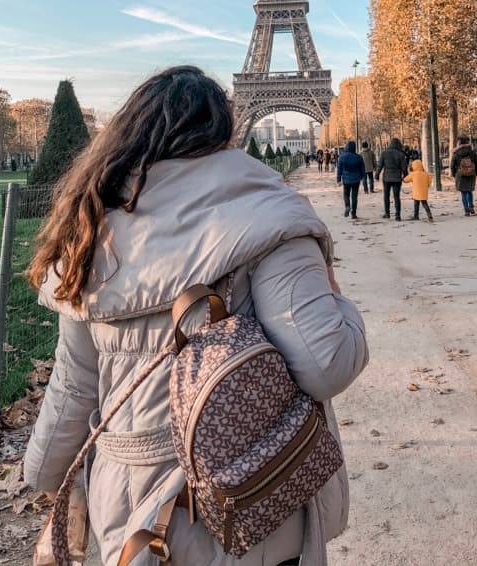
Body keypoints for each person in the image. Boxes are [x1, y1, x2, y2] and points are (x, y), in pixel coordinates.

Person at [23, 66, 368, 566]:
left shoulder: (91, 231)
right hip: (252, 492)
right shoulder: (267, 211)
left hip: (129, 499)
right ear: (227, 132)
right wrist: (340, 301)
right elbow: (326, 363)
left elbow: (74, 388)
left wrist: (51, 484)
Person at [375, 137, 408, 221]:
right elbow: (404, 167)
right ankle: (397, 215)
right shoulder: (401, 154)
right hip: (397, 178)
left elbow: (380, 165)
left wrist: (377, 174)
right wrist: (405, 176)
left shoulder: (384, 153)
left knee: (386, 196)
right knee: (397, 197)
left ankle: (387, 213)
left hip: (387, 177)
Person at [450, 135, 477, 216]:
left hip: (460, 175)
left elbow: (452, 165)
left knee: (463, 193)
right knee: (470, 191)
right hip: (471, 174)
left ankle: (466, 210)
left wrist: (454, 174)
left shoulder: (456, 153)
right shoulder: (472, 152)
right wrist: (475, 173)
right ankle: (471, 207)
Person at [336, 141, 365, 219]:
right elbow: (362, 168)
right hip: (356, 179)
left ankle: (347, 206)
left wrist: (338, 179)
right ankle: (354, 213)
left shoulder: (342, 157)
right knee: (354, 196)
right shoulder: (359, 157)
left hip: (346, 179)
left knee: (346, 194)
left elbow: (339, 169)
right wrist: (362, 177)